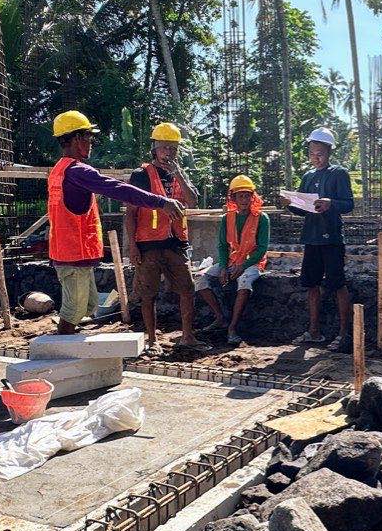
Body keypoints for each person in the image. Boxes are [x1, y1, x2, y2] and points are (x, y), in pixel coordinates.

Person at [48, 111, 185, 336]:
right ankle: (56, 353)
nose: (91, 143)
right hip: (72, 254)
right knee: (73, 311)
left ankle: (66, 341)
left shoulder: (60, 171)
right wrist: (161, 202)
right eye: (88, 138)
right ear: (75, 139)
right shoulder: (78, 171)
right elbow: (117, 189)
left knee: (89, 306)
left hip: (71, 253)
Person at [124, 123, 200, 355]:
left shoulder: (179, 173)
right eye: (165, 147)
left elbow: (193, 201)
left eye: (173, 148)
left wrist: (179, 174)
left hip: (175, 243)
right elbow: (130, 213)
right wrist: (133, 247)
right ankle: (152, 340)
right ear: (155, 148)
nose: (169, 152)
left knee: (187, 288)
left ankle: (187, 336)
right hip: (148, 246)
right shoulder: (140, 175)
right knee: (148, 294)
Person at [282, 126, 355, 351]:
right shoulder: (307, 176)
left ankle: (345, 334)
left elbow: (349, 204)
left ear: (329, 151)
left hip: (331, 239)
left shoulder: (338, 174)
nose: (316, 158)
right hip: (312, 239)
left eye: (320, 153)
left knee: (337, 285)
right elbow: (304, 209)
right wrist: (291, 204)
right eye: (312, 153)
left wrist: (331, 203)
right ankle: (314, 332)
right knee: (311, 285)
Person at [196, 175, 270, 345]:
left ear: (253, 197)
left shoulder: (262, 218)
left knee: (244, 283)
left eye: (247, 195)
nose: (244, 199)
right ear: (234, 198)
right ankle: (220, 317)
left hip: (252, 262)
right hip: (231, 261)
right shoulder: (227, 218)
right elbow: (222, 246)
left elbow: (261, 249)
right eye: (240, 195)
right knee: (200, 280)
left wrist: (243, 266)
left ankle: (232, 328)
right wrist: (223, 267)